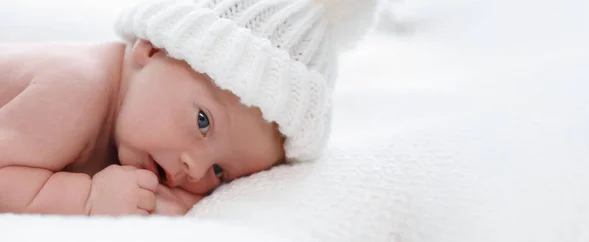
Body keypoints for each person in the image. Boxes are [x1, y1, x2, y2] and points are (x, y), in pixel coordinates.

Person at [0, 0, 381, 216]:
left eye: (220, 172)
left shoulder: (131, 118)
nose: (194, 169)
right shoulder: (74, 92)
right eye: (203, 122)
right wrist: (84, 199)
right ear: (153, 47)